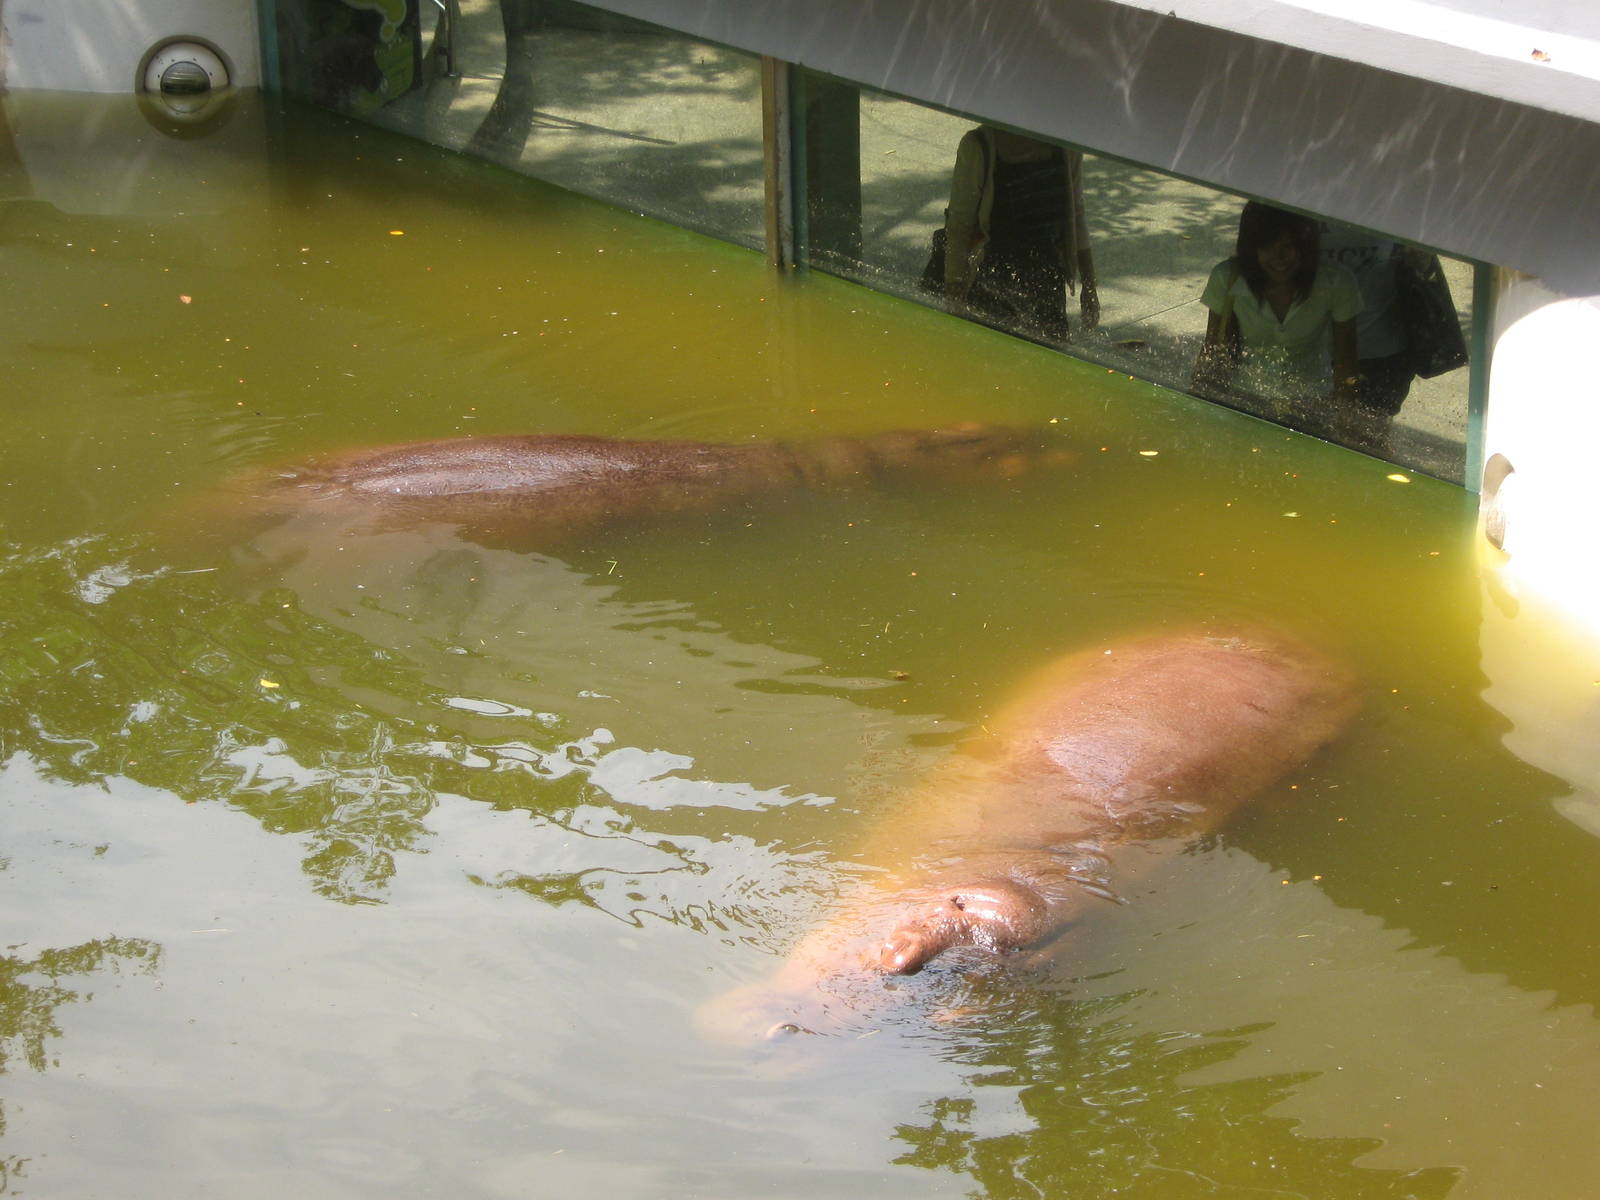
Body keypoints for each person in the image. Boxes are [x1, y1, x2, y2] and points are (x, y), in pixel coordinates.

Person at [1193, 202, 1362, 436]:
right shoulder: (1226, 278)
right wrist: (1196, 409)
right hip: (1243, 400)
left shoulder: (1336, 282)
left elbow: (1347, 361)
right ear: (1250, 248)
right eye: (1266, 247)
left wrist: (1348, 424)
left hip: (1312, 403)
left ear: (1306, 246)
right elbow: (1213, 349)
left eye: (1289, 246)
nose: (1279, 257)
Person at [941, 126, 1098, 344]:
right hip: (992, 282)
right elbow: (959, 224)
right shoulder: (978, 146)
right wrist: (954, 287)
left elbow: (1077, 214)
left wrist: (1089, 286)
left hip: (1047, 288)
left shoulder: (1067, 147)